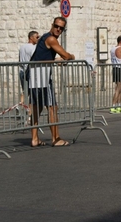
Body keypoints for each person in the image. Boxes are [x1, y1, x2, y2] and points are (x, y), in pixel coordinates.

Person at [28, 17, 75, 147]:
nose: (58, 29)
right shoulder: (51, 38)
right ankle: (55, 138)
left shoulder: (44, 37)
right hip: (42, 77)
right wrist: (71, 56)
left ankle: (35, 139)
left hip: (34, 76)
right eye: (56, 26)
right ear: (52, 25)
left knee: (37, 108)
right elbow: (65, 56)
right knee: (52, 108)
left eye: (61, 28)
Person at [18, 30, 39, 113]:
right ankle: (30, 112)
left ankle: (20, 105)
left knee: (26, 91)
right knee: (33, 92)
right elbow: (35, 60)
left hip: (22, 70)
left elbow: (19, 59)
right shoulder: (33, 48)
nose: (38, 39)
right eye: (37, 37)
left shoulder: (22, 47)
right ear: (31, 37)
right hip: (30, 72)